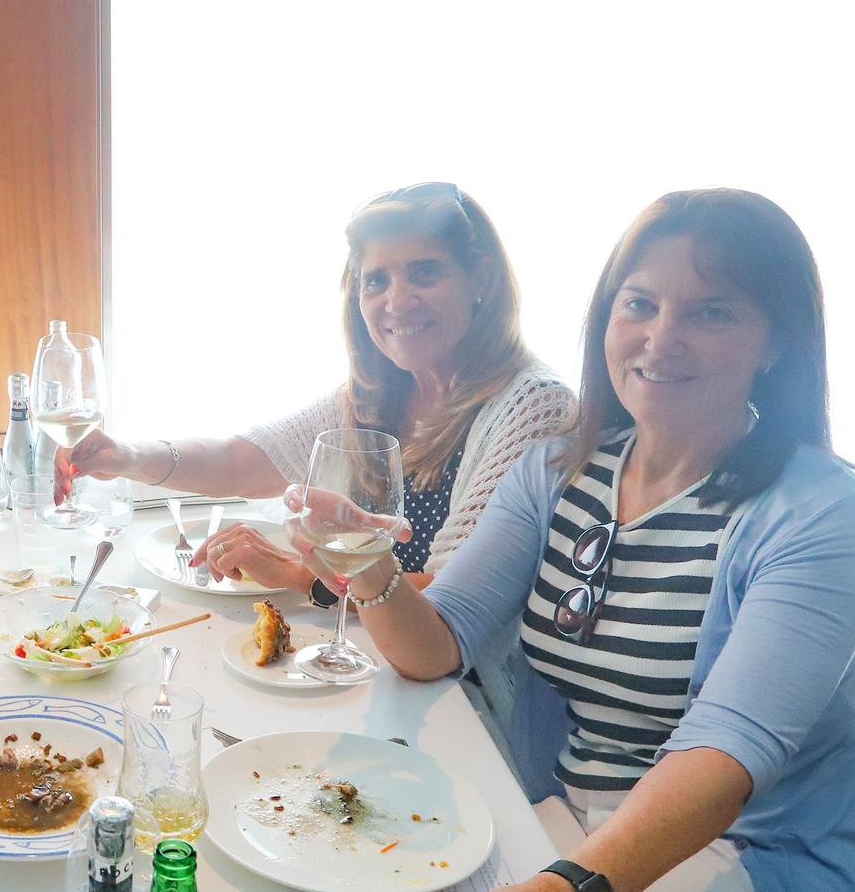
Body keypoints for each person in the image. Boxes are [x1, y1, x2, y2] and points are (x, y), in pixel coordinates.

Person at [288, 190, 855, 892]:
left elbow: (726, 751)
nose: (660, 337)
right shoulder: (559, 470)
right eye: (638, 303)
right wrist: (370, 565)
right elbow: (439, 644)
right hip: (572, 817)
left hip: (753, 865)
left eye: (711, 311)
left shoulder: (825, 517)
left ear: (779, 341)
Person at [61, 182, 573, 596]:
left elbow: (453, 597)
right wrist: (127, 457)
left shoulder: (532, 406)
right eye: (376, 281)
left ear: (480, 278)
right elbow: (244, 460)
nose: (397, 300)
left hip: (465, 696)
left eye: (424, 273)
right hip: (379, 657)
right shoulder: (381, 391)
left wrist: (301, 574)